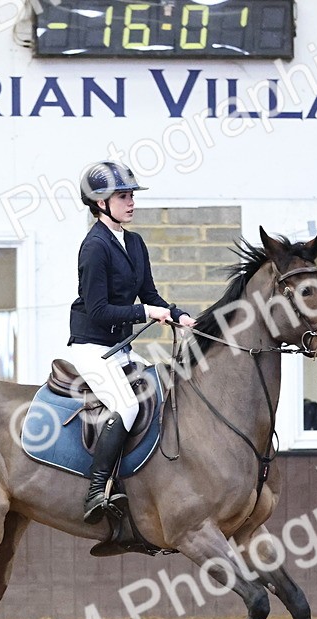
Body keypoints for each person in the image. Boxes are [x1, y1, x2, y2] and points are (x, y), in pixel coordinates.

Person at [67, 160, 195, 538]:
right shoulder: (93, 247)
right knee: (127, 405)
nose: (130, 202)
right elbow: (99, 310)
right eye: (123, 196)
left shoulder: (134, 243)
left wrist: (178, 314)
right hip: (92, 348)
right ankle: (96, 490)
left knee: (164, 386)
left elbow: (151, 294)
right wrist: (146, 312)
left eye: (131, 195)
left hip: (120, 349)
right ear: (100, 203)